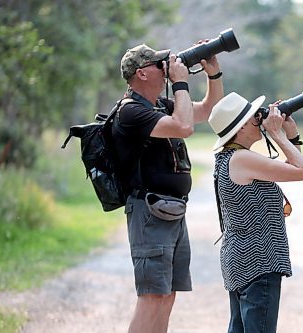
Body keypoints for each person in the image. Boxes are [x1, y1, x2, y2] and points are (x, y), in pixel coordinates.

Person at [112, 43, 223, 333]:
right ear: (142, 74)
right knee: (151, 297)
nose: (165, 67)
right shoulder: (131, 112)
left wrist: (214, 74)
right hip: (149, 212)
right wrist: (180, 82)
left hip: (171, 210)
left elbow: (208, 111)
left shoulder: (160, 105)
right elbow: (183, 127)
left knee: (168, 295)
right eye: (158, 64)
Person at [208, 92, 303, 333]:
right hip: (258, 261)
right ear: (242, 126)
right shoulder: (242, 158)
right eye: (254, 116)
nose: (260, 118)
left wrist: (291, 136)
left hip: (243, 258)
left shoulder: (232, 157)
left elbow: (288, 170)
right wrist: (277, 134)